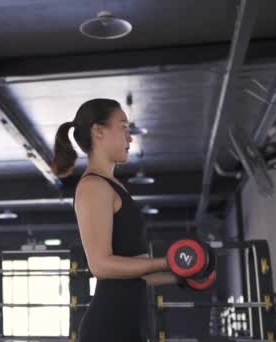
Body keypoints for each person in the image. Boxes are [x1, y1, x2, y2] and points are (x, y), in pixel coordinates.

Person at [51, 98, 178, 341]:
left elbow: (136, 271)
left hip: (130, 327)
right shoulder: (93, 186)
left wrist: (182, 274)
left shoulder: (114, 186)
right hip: (109, 328)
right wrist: (166, 262)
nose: (130, 138)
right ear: (98, 131)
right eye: (123, 128)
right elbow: (100, 265)